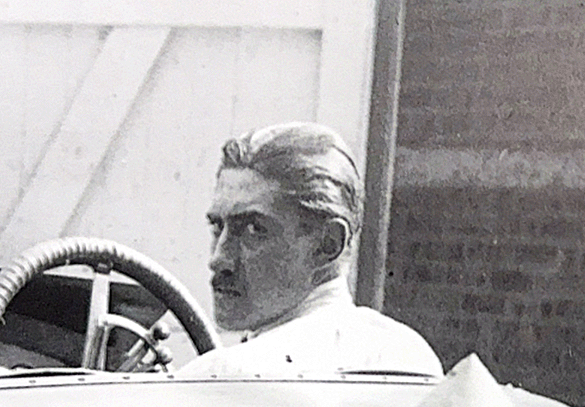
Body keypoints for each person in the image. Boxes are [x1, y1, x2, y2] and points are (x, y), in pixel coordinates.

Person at [179, 122, 441, 380]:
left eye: (253, 229)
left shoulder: (218, 375)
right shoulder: (409, 354)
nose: (218, 259)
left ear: (329, 244)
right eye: (216, 226)